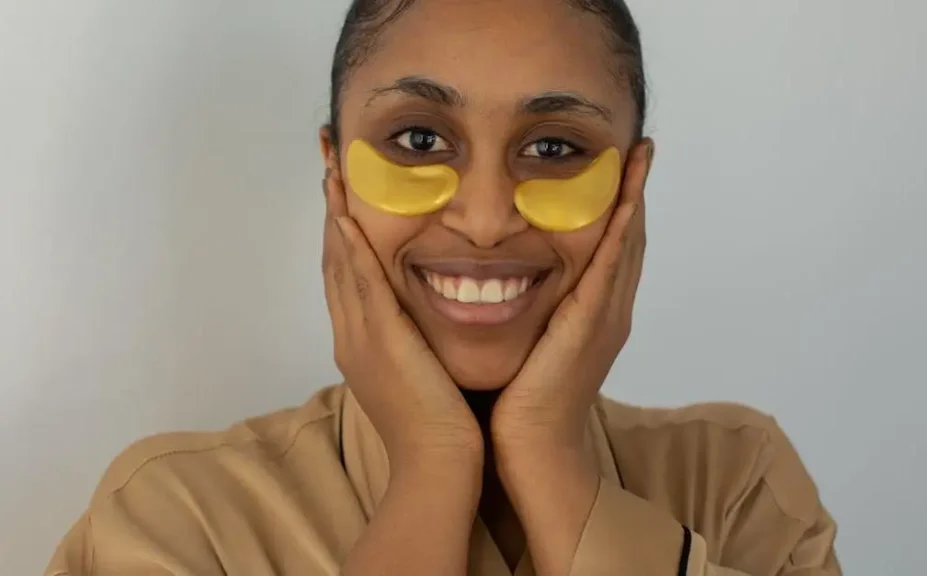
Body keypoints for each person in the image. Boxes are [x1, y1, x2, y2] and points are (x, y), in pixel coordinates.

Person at [46, 1, 841, 575]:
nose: (487, 218)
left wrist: (549, 457)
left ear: (632, 184)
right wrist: (431, 465)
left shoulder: (737, 484)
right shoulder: (176, 519)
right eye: (420, 139)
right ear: (335, 171)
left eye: (557, 147)